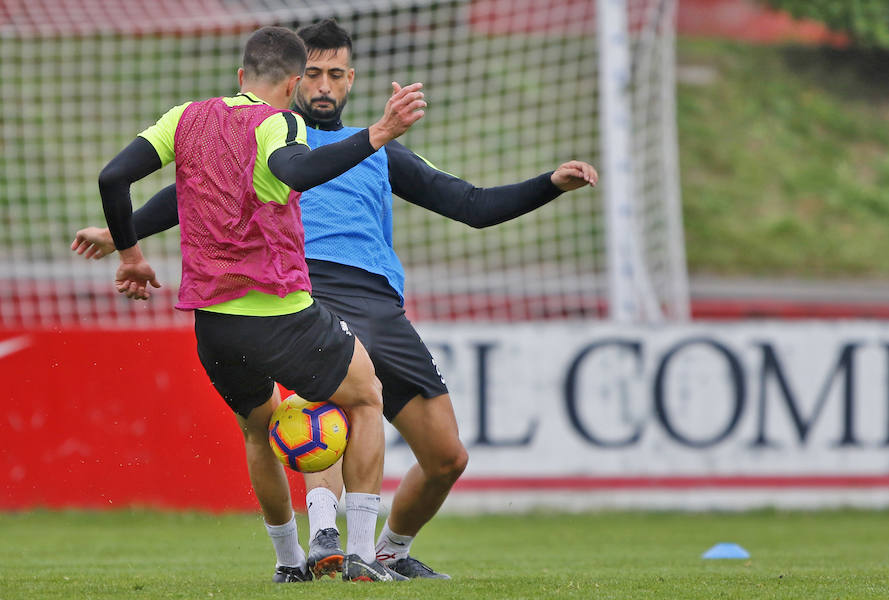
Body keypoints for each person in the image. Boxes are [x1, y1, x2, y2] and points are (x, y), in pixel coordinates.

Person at [73, 19, 598, 581]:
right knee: (326, 403)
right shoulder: (271, 134)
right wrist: (123, 233)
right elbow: (191, 191)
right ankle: (329, 538)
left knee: (447, 457)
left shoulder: (374, 151)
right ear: (295, 80)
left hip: (375, 300)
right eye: (314, 74)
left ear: (351, 79)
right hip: (299, 290)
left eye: (336, 75)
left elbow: (471, 205)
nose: (323, 86)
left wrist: (549, 184)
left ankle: (389, 550)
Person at [91, 25, 426, 583]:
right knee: (367, 396)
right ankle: (363, 556)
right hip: (281, 314)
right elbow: (296, 171)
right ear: (294, 83)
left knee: (258, 431)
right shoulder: (282, 122)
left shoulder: (184, 117)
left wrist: (130, 255)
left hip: (213, 324)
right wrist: (380, 132)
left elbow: (113, 177)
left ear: (241, 76)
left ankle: (290, 564)